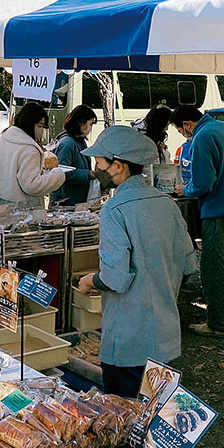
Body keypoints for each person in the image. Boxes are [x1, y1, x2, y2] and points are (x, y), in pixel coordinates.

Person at [77, 126, 197, 398]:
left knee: (123, 419)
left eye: (99, 163)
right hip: (164, 336)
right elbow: (189, 264)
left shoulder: (114, 210)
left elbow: (115, 278)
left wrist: (90, 280)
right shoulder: (167, 203)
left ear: (117, 166)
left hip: (128, 341)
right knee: (154, 414)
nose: (95, 169)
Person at [171, 105, 224, 338]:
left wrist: (184, 189)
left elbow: (203, 184)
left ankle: (219, 324)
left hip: (222, 210)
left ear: (187, 125)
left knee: (219, 267)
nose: (184, 135)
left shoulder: (202, 137)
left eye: (181, 131)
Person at [0, 101, 66, 205]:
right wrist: (58, 175)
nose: (41, 131)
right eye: (40, 126)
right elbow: (32, 185)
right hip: (20, 211)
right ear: (30, 123)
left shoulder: (2, 140)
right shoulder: (29, 149)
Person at [51, 105, 97, 205]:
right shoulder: (67, 143)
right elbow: (62, 171)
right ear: (81, 122)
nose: (90, 129)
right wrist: (88, 174)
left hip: (76, 198)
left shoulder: (80, 141)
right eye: (90, 125)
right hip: (65, 200)